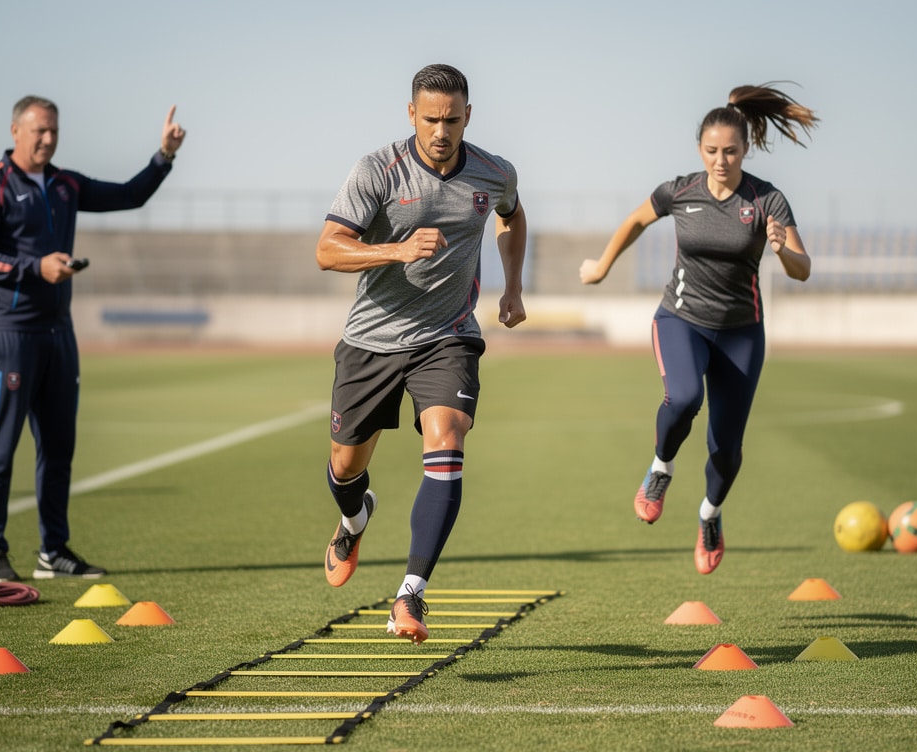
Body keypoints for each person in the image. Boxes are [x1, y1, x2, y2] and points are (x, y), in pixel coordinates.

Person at [316, 64, 527, 644]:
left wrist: (512, 285)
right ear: (411, 114)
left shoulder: (494, 171)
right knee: (344, 467)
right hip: (371, 340)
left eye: (452, 119)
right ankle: (354, 518)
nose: (441, 130)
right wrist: (397, 249)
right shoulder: (377, 170)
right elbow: (328, 251)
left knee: (448, 437)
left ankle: (411, 594)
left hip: (448, 335)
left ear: (468, 116)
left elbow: (511, 214)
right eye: (431, 118)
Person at [579, 83, 816, 575]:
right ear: (699, 150)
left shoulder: (766, 199)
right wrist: (602, 266)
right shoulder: (680, 190)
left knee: (726, 449)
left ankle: (710, 514)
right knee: (683, 398)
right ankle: (660, 468)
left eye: (731, 151)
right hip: (681, 320)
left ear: (746, 149)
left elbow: (802, 267)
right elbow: (636, 220)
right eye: (712, 151)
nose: (721, 160)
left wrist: (781, 248)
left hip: (741, 333)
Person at [0, 96, 186, 584]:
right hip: (9, 332)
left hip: (57, 332)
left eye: (54, 131)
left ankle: (53, 551)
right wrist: (34, 267)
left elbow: (131, 195)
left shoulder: (65, 184)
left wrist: (163, 156)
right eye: (39, 130)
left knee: (59, 445)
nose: (48, 139)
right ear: (16, 130)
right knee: (0, 447)